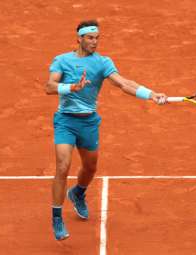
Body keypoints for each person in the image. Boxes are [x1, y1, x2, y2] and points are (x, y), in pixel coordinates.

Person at [45, 19, 168, 240]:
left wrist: (151, 94)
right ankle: (56, 217)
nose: (94, 42)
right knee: (63, 165)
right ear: (79, 38)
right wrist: (72, 87)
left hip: (89, 122)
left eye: (97, 38)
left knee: (90, 168)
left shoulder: (102, 63)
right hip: (65, 121)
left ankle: (78, 193)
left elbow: (123, 83)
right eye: (90, 38)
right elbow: (49, 86)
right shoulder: (62, 60)